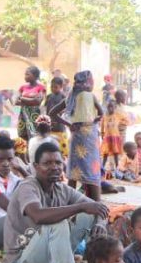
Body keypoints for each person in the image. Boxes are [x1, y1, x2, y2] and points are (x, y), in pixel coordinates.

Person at [5, 143, 108, 263]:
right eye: (47, 163)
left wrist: (99, 223)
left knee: (90, 215)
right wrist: (80, 207)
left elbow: (98, 208)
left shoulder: (62, 189)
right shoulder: (28, 186)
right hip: (23, 262)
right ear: (35, 167)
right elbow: (37, 216)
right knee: (58, 223)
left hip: (49, 260)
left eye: (58, 163)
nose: (54, 167)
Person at [61, 71, 103, 201]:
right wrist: (95, 120)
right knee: (92, 170)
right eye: (92, 81)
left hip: (77, 136)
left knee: (74, 172)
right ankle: (96, 203)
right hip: (90, 137)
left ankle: (70, 203)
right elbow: (101, 113)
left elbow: (52, 113)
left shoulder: (71, 97)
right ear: (87, 83)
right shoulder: (90, 96)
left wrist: (69, 124)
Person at [14, 66, 46, 141]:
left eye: (27, 74)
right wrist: (32, 100)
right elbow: (16, 101)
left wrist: (22, 98)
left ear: (35, 76)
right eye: (25, 74)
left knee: (34, 134)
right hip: (23, 114)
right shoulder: (22, 87)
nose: (25, 76)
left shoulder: (41, 87)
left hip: (34, 115)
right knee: (22, 134)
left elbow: (38, 101)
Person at [44, 76, 69, 156]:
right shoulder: (48, 96)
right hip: (49, 124)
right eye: (51, 87)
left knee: (62, 146)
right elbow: (46, 108)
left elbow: (67, 109)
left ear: (61, 87)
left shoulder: (63, 97)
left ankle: (63, 159)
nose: (53, 89)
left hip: (59, 125)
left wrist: (61, 112)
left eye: (55, 87)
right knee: (50, 145)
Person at [100, 100, 125, 175]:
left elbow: (125, 120)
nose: (110, 109)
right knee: (105, 152)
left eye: (112, 107)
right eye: (108, 107)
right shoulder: (105, 117)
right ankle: (102, 166)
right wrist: (102, 134)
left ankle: (117, 167)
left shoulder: (117, 116)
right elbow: (102, 127)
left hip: (115, 137)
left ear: (115, 107)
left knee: (115, 152)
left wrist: (121, 129)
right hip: (107, 137)